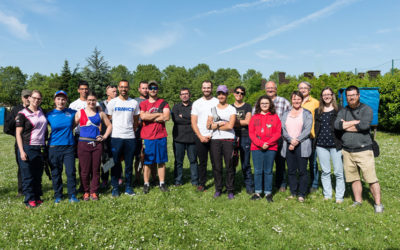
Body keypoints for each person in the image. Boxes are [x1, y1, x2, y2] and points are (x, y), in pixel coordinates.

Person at [334, 85, 384, 213]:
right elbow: (337, 125)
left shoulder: (366, 109)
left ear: (358, 95)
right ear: (346, 97)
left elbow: (364, 125)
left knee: (371, 179)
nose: (351, 97)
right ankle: (358, 201)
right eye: (349, 95)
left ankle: (378, 204)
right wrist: (353, 123)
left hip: (363, 150)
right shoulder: (343, 110)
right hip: (347, 151)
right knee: (354, 178)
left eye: (354, 95)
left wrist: (345, 125)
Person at [75, 91, 112, 201]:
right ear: (86, 101)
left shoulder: (100, 113)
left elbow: (109, 125)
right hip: (83, 144)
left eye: (93, 100)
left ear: (96, 101)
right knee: (85, 170)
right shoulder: (80, 113)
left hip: (96, 145)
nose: (91, 102)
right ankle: (86, 191)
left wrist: (104, 136)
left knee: (96, 169)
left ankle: (94, 191)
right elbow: (71, 126)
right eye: (89, 100)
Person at [106, 80, 140, 197]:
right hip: (116, 137)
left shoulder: (134, 103)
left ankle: (128, 187)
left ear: (129, 88)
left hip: (130, 137)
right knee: (114, 163)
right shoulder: (112, 103)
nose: (123, 89)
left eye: (126, 87)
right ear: (118, 88)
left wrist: (131, 130)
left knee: (129, 164)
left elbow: (136, 121)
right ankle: (115, 187)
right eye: (121, 87)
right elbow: (108, 118)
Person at [15, 90, 48, 208]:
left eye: (39, 98)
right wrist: (22, 151)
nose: (36, 100)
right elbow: (18, 133)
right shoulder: (22, 114)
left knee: (37, 175)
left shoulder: (42, 111)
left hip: (40, 147)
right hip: (27, 147)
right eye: (34, 98)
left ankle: (37, 197)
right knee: (28, 176)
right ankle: (29, 200)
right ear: (29, 98)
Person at [46, 90, 79, 203]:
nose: (61, 101)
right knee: (56, 172)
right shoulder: (49, 115)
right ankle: (58, 195)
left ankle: (72, 195)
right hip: (54, 147)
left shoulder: (72, 112)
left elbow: (84, 113)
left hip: (69, 146)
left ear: (66, 101)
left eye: (63, 99)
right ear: (55, 100)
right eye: (58, 99)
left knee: (70, 172)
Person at [314, 87, 345, 203]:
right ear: (322, 97)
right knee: (325, 171)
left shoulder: (340, 110)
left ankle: (339, 196)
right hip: (321, 145)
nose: (326, 96)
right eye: (324, 95)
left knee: (338, 172)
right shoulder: (318, 111)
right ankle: (327, 194)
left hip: (335, 144)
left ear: (332, 95)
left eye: (328, 94)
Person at [248, 95, 281, 202]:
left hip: (271, 148)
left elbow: (277, 133)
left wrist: (268, 143)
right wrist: (260, 143)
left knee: (268, 171)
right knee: (257, 170)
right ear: (259, 105)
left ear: (270, 104)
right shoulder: (254, 117)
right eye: (262, 103)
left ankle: (268, 193)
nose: (264, 105)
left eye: (266, 103)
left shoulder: (275, 117)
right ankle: (257, 192)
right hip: (256, 147)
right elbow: (251, 133)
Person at [281, 91, 312, 202]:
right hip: (288, 145)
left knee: (303, 170)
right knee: (291, 170)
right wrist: (291, 140)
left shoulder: (307, 113)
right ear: (291, 100)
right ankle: (293, 192)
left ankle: (302, 194)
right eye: (294, 99)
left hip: (302, 145)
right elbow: (283, 129)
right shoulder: (285, 113)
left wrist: (297, 141)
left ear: (302, 100)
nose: (296, 101)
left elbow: (307, 130)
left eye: (299, 99)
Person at [140, 81, 170, 194]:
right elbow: (143, 116)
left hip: (161, 135)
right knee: (147, 162)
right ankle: (146, 184)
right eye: (150, 88)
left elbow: (166, 117)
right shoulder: (144, 103)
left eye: (155, 88)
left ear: (157, 89)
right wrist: (158, 115)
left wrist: (150, 116)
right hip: (147, 136)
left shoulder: (163, 102)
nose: (153, 89)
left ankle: (162, 183)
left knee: (161, 161)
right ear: (147, 90)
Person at [207, 85, 237, 199]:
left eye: (223, 93)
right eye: (219, 93)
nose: (221, 96)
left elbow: (230, 125)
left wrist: (216, 125)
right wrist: (220, 124)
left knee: (229, 165)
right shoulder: (213, 109)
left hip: (228, 140)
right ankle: (218, 189)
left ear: (227, 95)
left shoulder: (231, 109)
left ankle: (230, 190)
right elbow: (208, 125)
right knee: (217, 166)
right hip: (215, 140)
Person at [191, 80, 219, 192]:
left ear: (212, 88)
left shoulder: (217, 102)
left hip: (215, 136)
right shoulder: (197, 103)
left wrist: (211, 134)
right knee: (202, 162)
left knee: (216, 162)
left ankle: (218, 183)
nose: (206, 89)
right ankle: (202, 183)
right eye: (204, 87)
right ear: (201, 89)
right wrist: (200, 136)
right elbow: (193, 122)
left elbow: (219, 120)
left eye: (208, 87)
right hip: (200, 137)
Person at [3, 89, 31, 196]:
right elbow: (6, 128)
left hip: (34, 143)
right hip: (20, 143)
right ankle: (21, 190)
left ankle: (32, 187)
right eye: (25, 96)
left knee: (34, 166)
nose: (28, 98)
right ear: (22, 98)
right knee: (22, 166)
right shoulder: (16, 110)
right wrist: (17, 134)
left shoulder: (36, 109)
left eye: (29, 96)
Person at [264, 81, 291, 192]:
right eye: (268, 88)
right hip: (265, 138)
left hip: (280, 137)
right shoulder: (261, 101)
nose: (270, 90)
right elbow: (255, 117)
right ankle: (266, 184)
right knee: (267, 162)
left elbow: (290, 117)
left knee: (280, 162)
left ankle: (281, 184)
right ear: (265, 89)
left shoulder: (283, 101)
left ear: (276, 89)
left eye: (272, 88)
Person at [172, 88, 198, 186]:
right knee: (178, 162)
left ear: (189, 95)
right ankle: (178, 181)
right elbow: (176, 120)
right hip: (178, 139)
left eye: (186, 94)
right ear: (180, 96)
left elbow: (197, 119)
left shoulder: (195, 106)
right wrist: (190, 119)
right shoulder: (176, 107)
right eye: (182, 94)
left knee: (193, 161)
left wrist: (184, 116)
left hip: (192, 139)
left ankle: (195, 181)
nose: (184, 96)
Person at [298, 81, 320, 193]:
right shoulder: (296, 101)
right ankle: (301, 183)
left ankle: (314, 184)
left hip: (311, 137)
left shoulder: (315, 102)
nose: (302, 90)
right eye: (300, 88)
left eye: (305, 88)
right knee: (300, 162)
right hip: (297, 138)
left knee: (313, 162)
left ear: (309, 90)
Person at [232, 86, 254, 194]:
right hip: (232, 136)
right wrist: (241, 122)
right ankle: (231, 186)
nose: (239, 94)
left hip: (245, 136)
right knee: (232, 162)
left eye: (242, 93)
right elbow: (243, 121)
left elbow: (248, 122)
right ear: (234, 94)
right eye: (237, 92)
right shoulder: (230, 107)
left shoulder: (247, 106)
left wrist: (233, 122)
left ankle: (249, 186)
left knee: (245, 163)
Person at [133, 81, 156, 184]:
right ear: (139, 89)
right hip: (137, 133)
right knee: (138, 157)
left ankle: (154, 178)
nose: (146, 90)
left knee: (152, 157)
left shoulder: (154, 101)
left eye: (147, 88)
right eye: (143, 88)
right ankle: (137, 178)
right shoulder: (134, 102)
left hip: (152, 133)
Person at [99, 85, 117, 188]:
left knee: (116, 157)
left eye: (116, 91)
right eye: (113, 91)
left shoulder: (119, 102)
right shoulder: (101, 104)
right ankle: (105, 179)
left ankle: (117, 177)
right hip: (105, 135)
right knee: (106, 158)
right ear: (107, 93)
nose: (115, 93)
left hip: (117, 134)